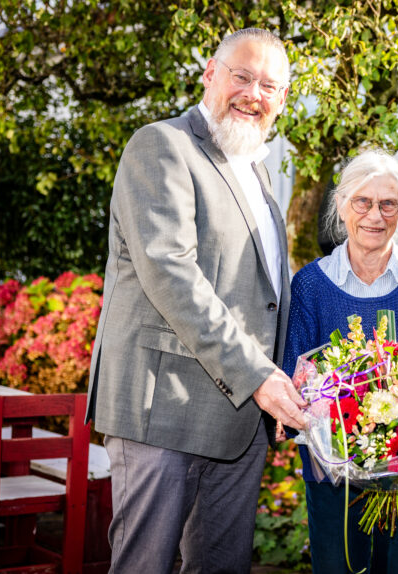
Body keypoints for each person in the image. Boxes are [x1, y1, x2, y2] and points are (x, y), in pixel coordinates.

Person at [85, 28, 307, 574]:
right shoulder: (162, 145)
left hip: (238, 425)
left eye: (270, 86)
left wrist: (286, 377)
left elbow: (265, 297)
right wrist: (260, 376)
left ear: (283, 100)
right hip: (163, 412)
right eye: (243, 75)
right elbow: (171, 274)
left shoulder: (257, 172)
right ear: (210, 73)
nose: (254, 93)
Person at [283, 149, 398, 574]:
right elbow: (296, 383)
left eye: (388, 204)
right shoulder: (310, 285)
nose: (375, 215)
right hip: (335, 486)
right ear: (342, 205)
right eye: (363, 201)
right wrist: (339, 447)